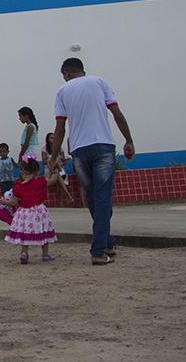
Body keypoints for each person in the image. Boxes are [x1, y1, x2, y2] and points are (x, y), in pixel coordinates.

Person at [50, 57, 135, 266]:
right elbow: (117, 114)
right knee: (103, 199)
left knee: (93, 199)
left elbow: (59, 128)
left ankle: (107, 243)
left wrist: (53, 157)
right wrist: (128, 140)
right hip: (103, 145)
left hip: (79, 150)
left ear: (67, 73)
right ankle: (99, 250)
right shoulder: (99, 82)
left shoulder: (62, 92)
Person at [1, 154, 59, 264]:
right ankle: (45, 254)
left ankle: (24, 252)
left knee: (24, 232)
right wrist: (56, 172)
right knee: (43, 231)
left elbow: (14, 202)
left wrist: (4, 202)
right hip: (39, 212)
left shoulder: (18, 187)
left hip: (24, 213)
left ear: (22, 171)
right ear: (37, 171)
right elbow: (52, 180)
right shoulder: (40, 182)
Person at [42, 133, 75, 203]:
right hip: (49, 169)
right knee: (57, 175)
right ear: (47, 139)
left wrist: (62, 159)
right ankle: (67, 197)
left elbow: (63, 161)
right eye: (51, 138)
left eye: (54, 138)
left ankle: (63, 200)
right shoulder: (45, 148)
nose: (53, 140)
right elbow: (44, 161)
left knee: (58, 175)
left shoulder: (59, 147)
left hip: (60, 169)